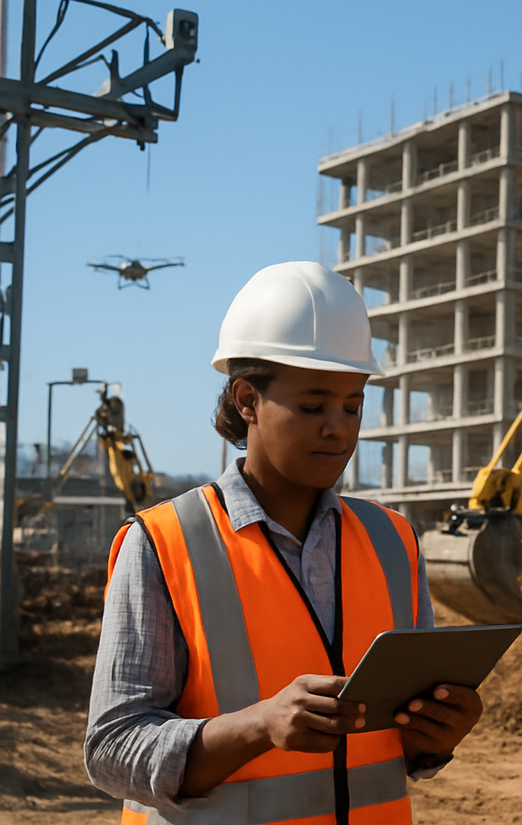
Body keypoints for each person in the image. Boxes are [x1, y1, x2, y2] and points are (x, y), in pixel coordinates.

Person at [85, 261, 484, 824]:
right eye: (312, 405)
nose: (339, 428)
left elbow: (396, 749)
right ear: (246, 399)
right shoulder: (162, 543)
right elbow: (111, 750)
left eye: (353, 405)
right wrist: (259, 725)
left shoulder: (394, 542)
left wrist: (434, 736)